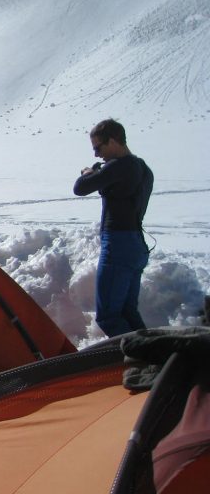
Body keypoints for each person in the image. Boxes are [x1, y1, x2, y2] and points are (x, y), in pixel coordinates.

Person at [73, 119, 154, 338]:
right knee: (127, 312)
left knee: (108, 316)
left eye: (98, 148)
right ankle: (157, 358)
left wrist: (89, 173)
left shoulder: (120, 166)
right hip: (136, 244)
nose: (97, 155)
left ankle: (142, 363)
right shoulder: (143, 168)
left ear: (113, 141)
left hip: (119, 245)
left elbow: (80, 188)